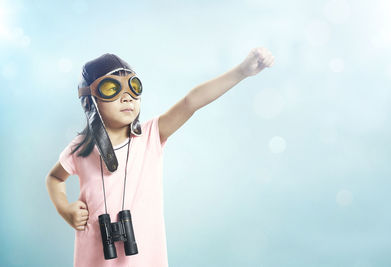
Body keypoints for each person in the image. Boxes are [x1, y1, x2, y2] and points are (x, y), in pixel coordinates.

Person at [46, 47, 274, 267]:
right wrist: (65, 209)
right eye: (111, 88)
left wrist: (241, 71)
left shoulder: (151, 136)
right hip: (94, 259)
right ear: (90, 101)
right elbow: (54, 178)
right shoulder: (81, 148)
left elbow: (190, 102)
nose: (127, 98)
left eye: (133, 87)